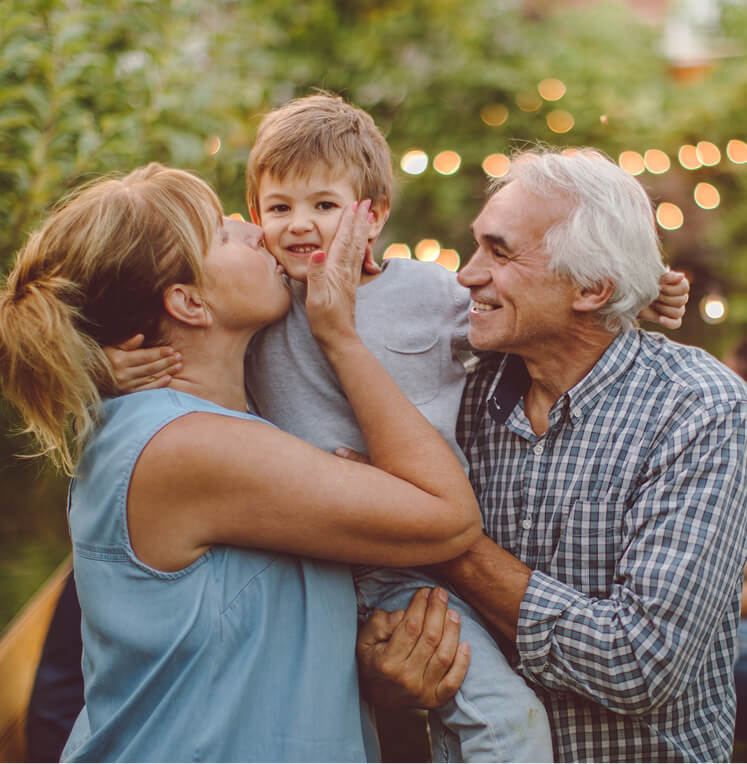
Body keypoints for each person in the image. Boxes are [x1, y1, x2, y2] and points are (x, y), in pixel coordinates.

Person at [108, 95, 689, 762]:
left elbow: (536, 313)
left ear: (373, 214)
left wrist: (641, 294)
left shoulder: (425, 295)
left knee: (506, 723)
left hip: (408, 566)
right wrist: (107, 362)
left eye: (323, 206)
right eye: (278, 209)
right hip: (306, 556)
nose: (299, 226)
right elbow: (157, 322)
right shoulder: (263, 303)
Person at [0, 163, 483, 762]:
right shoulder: (185, 446)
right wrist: (339, 337)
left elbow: (234, 646)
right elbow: (449, 517)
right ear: (189, 302)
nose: (252, 229)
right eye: (222, 233)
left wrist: (368, 670)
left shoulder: (176, 426)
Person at [356, 146, 747, 762]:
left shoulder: (699, 410)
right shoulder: (458, 390)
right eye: (476, 246)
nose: (466, 275)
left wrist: (432, 529)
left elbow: (640, 662)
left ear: (592, 288)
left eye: (500, 252)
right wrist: (383, 672)